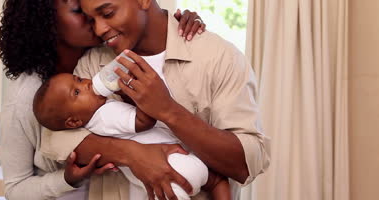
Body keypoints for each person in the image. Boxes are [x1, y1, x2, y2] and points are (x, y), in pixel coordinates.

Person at [41, 0, 270, 200]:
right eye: (91, 20)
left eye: (107, 13)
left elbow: (248, 161)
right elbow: (57, 138)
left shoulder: (219, 57)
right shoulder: (93, 62)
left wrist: (168, 111)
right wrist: (132, 153)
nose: (99, 29)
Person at [0, 0, 207, 200]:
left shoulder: (105, 54)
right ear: (48, 25)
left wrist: (180, 25)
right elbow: (14, 189)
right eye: (81, 10)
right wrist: (67, 180)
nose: (93, 16)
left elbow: (148, 21)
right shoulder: (25, 97)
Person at [33, 73, 231, 200]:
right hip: (174, 164)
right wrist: (135, 93)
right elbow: (144, 121)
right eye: (77, 92)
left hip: (162, 176)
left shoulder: (96, 127)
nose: (86, 83)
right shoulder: (105, 114)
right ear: (74, 122)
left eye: (78, 78)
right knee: (217, 180)